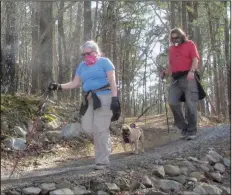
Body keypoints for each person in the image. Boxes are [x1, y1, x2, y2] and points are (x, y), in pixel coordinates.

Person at [48, 40, 120, 170]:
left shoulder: (105, 62)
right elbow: (75, 83)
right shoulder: (82, 66)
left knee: (100, 129)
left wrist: (115, 98)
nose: (86, 56)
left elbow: (112, 81)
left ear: (96, 52)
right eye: (84, 54)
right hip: (90, 99)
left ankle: (102, 161)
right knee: (87, 128)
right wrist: (58, 87)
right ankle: (106, 142)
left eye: (89, 53)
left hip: (105, 97)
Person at [162, 28, 205, 140]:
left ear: (182, 36)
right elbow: (171, 65)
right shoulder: (171, 49)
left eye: (177, 37)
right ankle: (183, 128)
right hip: (175, 79)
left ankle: (191, 131)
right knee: (172, 102)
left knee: (191, 105)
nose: (175, 39)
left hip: (189, 77)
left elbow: (195, 59)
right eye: (173, 38)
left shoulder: (190, 44)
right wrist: (165, 73)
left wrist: (192, 71)